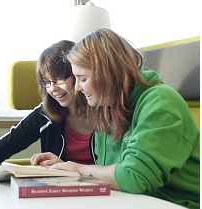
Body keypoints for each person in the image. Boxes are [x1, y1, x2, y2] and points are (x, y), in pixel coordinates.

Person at [31, 29, 200, 209]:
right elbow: (110, 173)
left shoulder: (160, 104)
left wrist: (79, 169)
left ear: (108, 73)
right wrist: (67, 169)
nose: (78, 88)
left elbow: (135, 177)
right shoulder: (108, 108)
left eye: (83, 78)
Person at [0, 40, 95, 167]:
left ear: (78, 74)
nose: (53, 88)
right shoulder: (44, 114)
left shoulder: (106, 111)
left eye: (59, 79)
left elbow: (118, 171)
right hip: (58, 186)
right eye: (47, 82)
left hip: (106, 186)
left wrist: (70, 168)